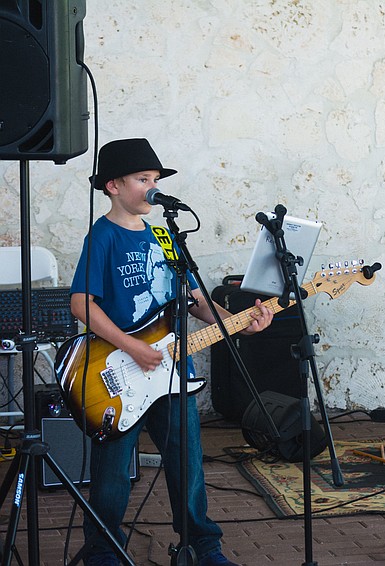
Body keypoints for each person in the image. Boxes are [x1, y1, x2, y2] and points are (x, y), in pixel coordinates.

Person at [70, 138, 273, 566]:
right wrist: (132, 347)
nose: (152, 187)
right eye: (143, 179)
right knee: (112, 475)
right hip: (120, 371)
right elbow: (81, 303)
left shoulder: (165, 236)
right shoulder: (102, 237)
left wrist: (239, 321)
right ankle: (103, 551)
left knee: (188, 465)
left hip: (172, 370)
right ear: (113, 186)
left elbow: (196, 301)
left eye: (155, 179)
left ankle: (203, 547)